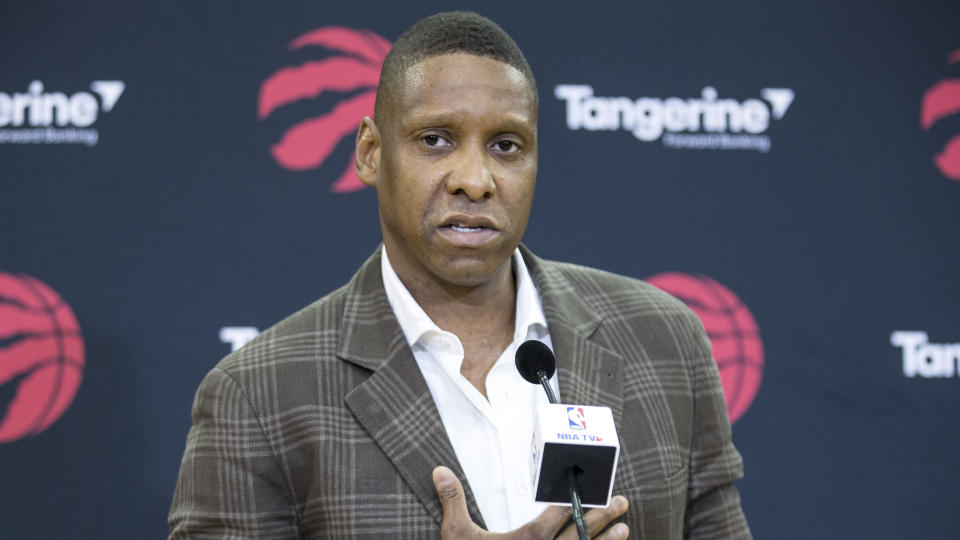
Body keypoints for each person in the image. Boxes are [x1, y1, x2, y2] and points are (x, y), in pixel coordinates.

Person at [169, 11, 751, 539]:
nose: (474, 179)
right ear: (371, 153)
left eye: (506, 145)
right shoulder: (257, 396)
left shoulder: (665, 339)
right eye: (435, 140)